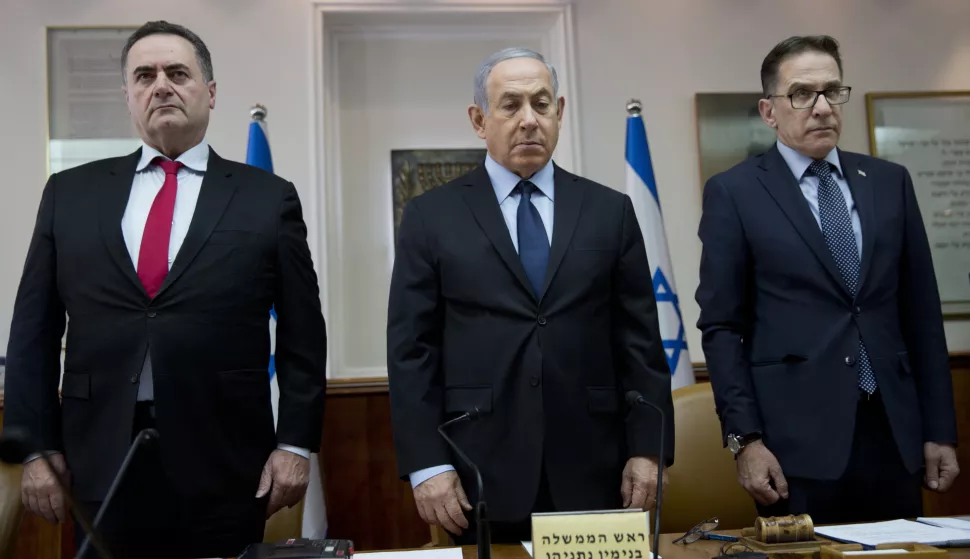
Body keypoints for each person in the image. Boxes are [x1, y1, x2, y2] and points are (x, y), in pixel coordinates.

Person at [3, 21, 327, 558]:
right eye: (145, 75)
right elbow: (33, 330)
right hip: (99, 454)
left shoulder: (266, 198)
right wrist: (36, 447)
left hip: (226, 459)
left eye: (178, 73)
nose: (161, 86)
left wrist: (294, 443)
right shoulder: (69, 194)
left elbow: (302, 333)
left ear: (211, 92)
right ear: (128, 95)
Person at [386, 47, 673, 544]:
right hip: (477, 469)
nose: (528, 120)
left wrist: (648, 450)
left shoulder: (611, 211)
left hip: (596, 470)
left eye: (542, 105)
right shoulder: (430, 217)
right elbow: (412, 351)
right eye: (510, 105)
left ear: (559, 113)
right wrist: (425, 464)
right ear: (479, 119)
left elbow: (640, 343)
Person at [696, 35, 960, 523]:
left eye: (832, 91)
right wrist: (745, 442)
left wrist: (940, 430)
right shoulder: (734, 193)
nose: (821, 107)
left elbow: (921, 315)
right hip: (793, 446)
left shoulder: (889, 182)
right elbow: (722, 327)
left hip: (893, 433)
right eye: (801, 94)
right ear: (769, 111)